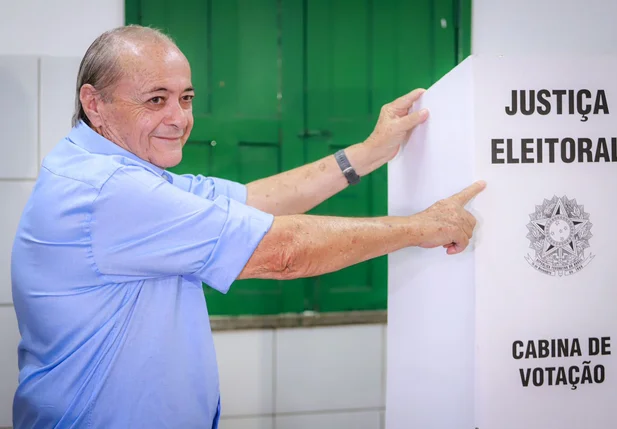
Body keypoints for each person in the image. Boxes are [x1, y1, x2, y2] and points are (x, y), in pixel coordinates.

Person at [11, 25, 485, 428]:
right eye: (156, 100)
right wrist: (422, 226)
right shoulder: (109, 191)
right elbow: (284, 250)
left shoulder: (111, 169)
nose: (179, 119)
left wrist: (369, 153)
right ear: (94, 103)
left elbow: (254, 200)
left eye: (186, 98)